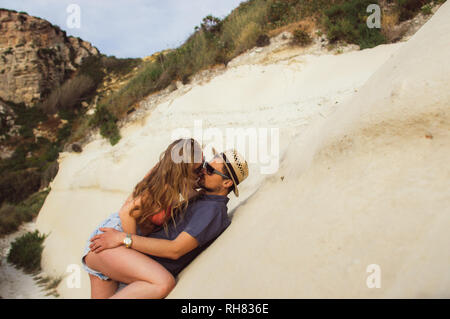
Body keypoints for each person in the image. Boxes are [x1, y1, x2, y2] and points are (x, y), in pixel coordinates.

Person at [84, 148, 249, 299]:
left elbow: (175, 250)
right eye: (205, 165)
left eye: (211, 170)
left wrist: (124, 239)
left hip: (119, 247)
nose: (203, 171)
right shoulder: (200, 198)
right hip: (114, 247)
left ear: (226, 183)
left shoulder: (212, 210)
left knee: (163, 283)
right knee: (163, 283)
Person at [81, 138, 204, 298]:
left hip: (108, 242)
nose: (201, 170)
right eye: (198, 167)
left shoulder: (171, 180)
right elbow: (126, 212)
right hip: (110, 239)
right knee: (162, 283)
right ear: (184, 168)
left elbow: (193, 193)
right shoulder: (162, 189)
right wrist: (130, 244)